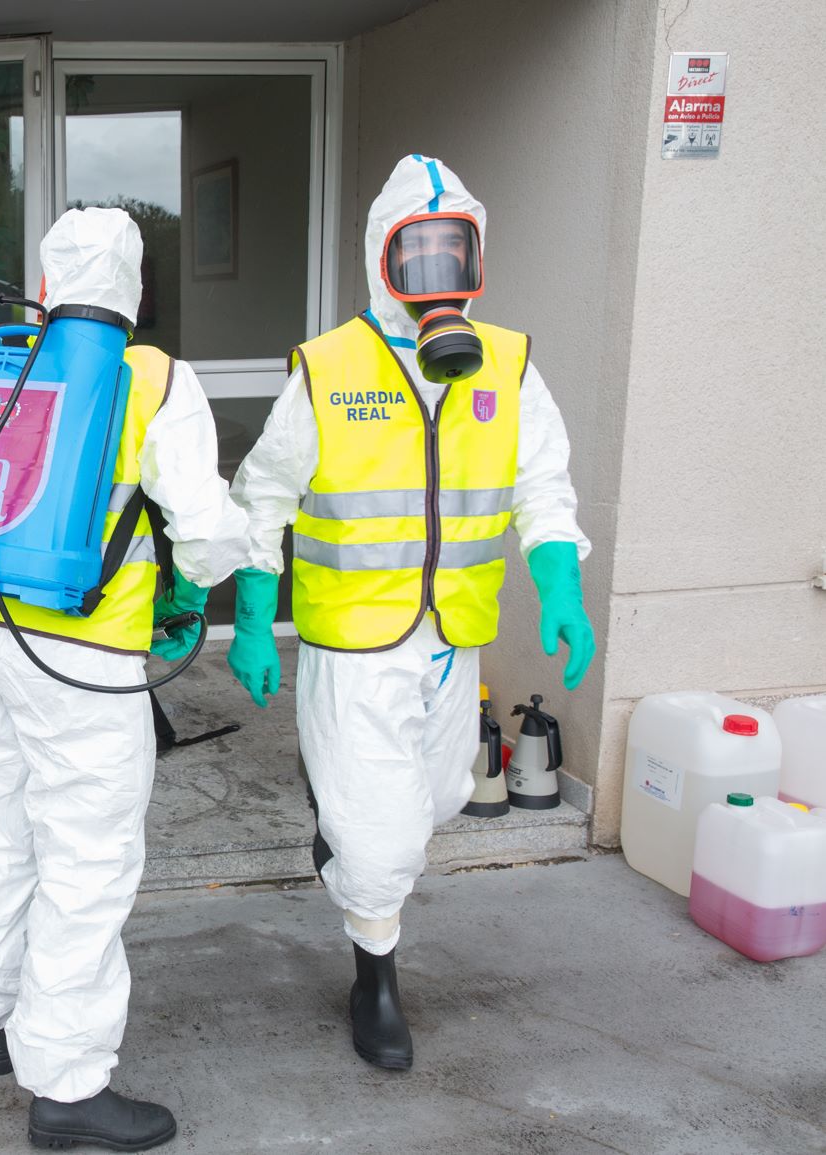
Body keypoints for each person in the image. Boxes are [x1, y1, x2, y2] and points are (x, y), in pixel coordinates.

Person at [228, 154, 596, 1070]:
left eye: (454, 256)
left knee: (434, 803)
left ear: (477, 260)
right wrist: (251, 612)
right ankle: (376, 979)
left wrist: (561, 587)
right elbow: (263, 495)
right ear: (379, 262)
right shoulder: (329, 368)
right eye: (414, 256)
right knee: (382, 837)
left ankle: (349, 846)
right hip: (352, 641)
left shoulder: (506, 365)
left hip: (450, 638)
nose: (438, 281)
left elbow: (542, 485)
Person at [0, 208, 252, 1151]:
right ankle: (65, 1085)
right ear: (135, 290)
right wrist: (197, 586)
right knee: (84, 861)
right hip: (78, 653)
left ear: (46, 278)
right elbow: (203, 524)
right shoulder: (150, 376)